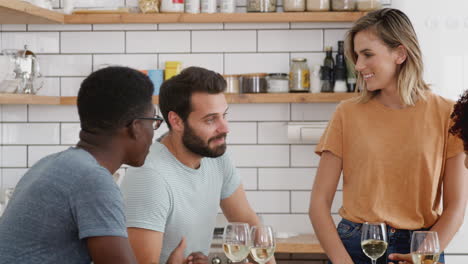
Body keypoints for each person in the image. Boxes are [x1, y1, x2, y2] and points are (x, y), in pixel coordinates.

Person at [308, 8, 467, 264]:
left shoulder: (448, 114)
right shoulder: (347, 114)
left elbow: (456, 207)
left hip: (422, 246)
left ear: (400, 53)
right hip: (355, 245)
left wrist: (423, 256)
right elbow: (318, 204)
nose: (358, 66)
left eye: (367, 55)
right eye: (356, 56)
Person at [0, 66, 168, 263]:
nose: (153, 132)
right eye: (154, 121)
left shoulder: (51, 163)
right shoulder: (93, 180)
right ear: (136, 127)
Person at [121, 66, 274, 264]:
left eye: (224, 115)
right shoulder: (149, 177)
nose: (225, 128)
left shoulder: (216, 156)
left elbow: (250, 227)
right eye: (211, 119)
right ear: (176, 121)